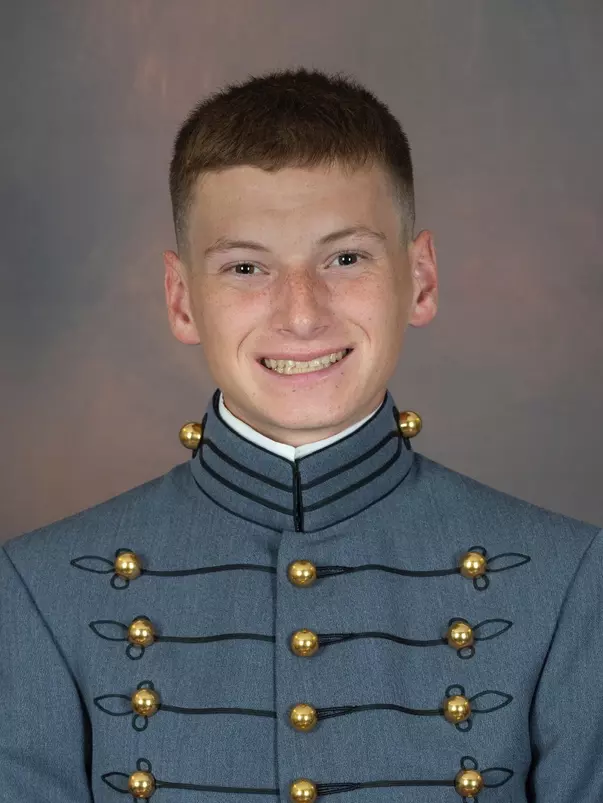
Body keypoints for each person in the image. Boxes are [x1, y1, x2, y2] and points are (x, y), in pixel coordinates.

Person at [0, 67, 601, 803]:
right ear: (181, 300)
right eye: (246, 267)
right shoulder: (36, 590)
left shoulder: (571, 581)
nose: (301, 313)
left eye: (344, 258)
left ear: (419, 279)